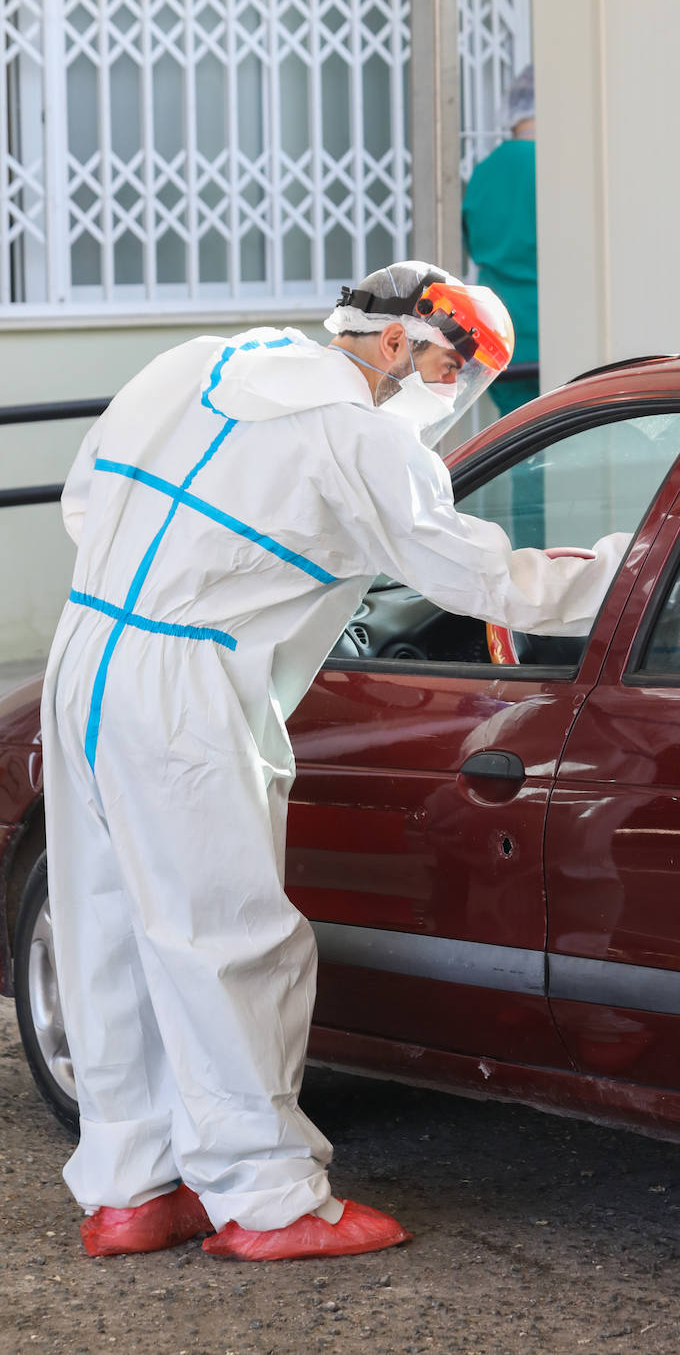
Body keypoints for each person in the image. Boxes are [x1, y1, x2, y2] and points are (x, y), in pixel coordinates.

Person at [40, 259, 631, 1262]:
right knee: (228, 937)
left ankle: (131, 1189)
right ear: (401, 342)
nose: (447, 396)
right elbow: (477, 575)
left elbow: (86, 495)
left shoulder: (198, 362)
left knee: (111, 928)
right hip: (188, 682)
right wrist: (629, 570)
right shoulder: (354, 438)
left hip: (89, 644)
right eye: (448, 371)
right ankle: (267, 1200)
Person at [462, 64, 538, 417]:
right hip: (551, 333)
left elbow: (474, 245)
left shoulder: (484, 173)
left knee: (520, 445)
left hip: (497, 335)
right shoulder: (556, 167)